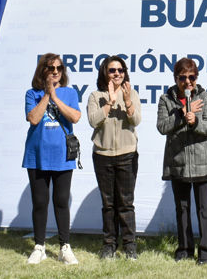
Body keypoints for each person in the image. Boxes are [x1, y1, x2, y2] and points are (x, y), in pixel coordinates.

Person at [157, 57, 207, 265]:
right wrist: (181, 115)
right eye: (183, 77)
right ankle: (184, 249)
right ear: (176, 78)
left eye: (192, 77)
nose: (188, 82)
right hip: (178, 163)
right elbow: (162, 127)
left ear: (197, 77)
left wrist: (195, 122)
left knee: (204, 209)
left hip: (203, 162)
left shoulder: (205, 97)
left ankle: (206, 252)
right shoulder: (166, 99)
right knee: (182, 208)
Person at [23, 53, 81, 265]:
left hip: (62, 155)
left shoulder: (70, 93)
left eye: (59, 68)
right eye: (50, 68)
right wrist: (47, 94)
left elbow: (75, 117)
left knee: (61, 201)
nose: (55, 71)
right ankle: (39, 247)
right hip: (37, 156)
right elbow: (34, 118)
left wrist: (55, 96)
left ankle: (64, 246)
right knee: (39, 202)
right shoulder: (32, 93)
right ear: (42, 71)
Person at [87, 56, 142, 260]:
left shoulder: (132, 93)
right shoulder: (95, 95)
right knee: (108, 204)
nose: (117, 73)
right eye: (112, 70)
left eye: (121, 70)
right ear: (105, 72)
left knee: (126, 203)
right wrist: (110, 101)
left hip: (127, 154)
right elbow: (93, 121)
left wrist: (127, 101)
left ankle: (130, 246)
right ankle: (109, 245)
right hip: (102, 155)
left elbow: (136, 120)